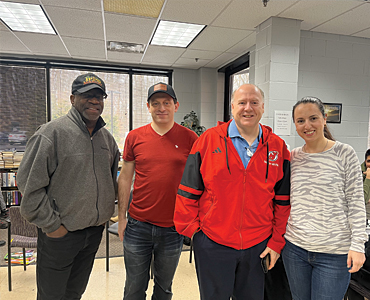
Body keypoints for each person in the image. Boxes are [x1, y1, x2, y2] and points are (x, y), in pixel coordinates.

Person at [174, 84, 291, 300]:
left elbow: (283, 202)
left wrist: (276, 242)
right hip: (213, 243)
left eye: (254, 102)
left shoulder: (278, 147)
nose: (248, 108)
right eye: (242, 102)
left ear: (263, 107)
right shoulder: (208, 140)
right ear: (232, 107)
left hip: (258, 245)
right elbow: (187, 191)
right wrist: (195, 234)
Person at [17, 73, 120, 300]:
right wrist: (53, 226)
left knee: (75, 292)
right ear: (73, 99)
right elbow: (28, 186)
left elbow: (110, 181)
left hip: (93, 234)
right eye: (87, 95)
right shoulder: (51, 134)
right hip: (60, 235)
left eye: (99, 96)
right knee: (52, 295)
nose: (95, 101)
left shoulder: (107, 139)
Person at [117, 82, 198, 299]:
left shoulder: (191, 138)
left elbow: (201, 180)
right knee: (134, 287)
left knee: (164, 288)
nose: (161, 108)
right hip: (138, 225)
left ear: (176, 105)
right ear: (148, 107)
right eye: (156, 104)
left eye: (166, 103)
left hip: (174, 227)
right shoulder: (134, 137)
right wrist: (121, 218)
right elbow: (125, 178)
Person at [282, 96, 368, 300]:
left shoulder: (344, 153)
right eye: (300, 121)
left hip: (334, 254)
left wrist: (358, 245)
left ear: (324, 118)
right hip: (295, 249)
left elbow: (356, 204)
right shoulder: (292, 157)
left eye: (313, 118)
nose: (307, 125)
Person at [361, 149, 370, 222]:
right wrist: (368, 178)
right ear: (365, 161)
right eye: (369, 161)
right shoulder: (358, 173)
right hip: (364, 210)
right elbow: (362, 199)